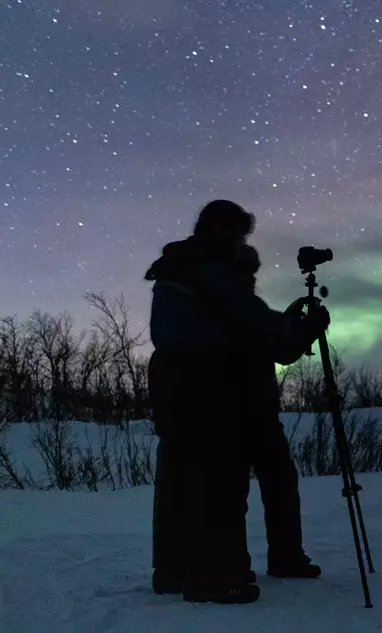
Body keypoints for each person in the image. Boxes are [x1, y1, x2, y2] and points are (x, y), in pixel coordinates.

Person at [145, 200, 328, 604]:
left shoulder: (185, 271)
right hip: (215, 391)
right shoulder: (208, 273)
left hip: (192, 392)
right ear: (220, 231)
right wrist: (304, 327)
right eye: (237, 234)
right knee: (219, 483)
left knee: (186, 482)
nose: (241, 242)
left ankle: (177, 570)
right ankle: (215, 573)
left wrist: (291, 330)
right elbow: (258, 328)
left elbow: (255, 331)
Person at [231, 244, 323, 581]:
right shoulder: (230, 305)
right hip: (236, 412)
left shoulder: (243, 305)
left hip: (259, 412)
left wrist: (300, 328)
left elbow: (278, 349)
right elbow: (269, 336)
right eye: (246, 272)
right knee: (235, 492)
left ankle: (284, 557)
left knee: (281, 483)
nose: (251, 279)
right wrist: (298, 326)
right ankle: (234, 566)